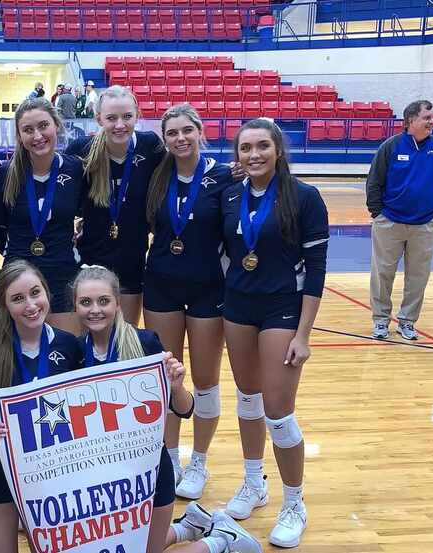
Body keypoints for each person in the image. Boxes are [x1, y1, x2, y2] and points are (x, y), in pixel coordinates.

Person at [72, 265, 262, 553]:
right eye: (85, 302)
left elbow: (185, 409)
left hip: (147, 471)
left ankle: (219, 541)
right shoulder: (72, 352)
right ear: (74, 306)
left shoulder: (144, 343)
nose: (94, 310)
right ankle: (187, 526)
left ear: (118, 303)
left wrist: (176, 387)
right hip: (99, 476)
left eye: (103, 301)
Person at [221, 118, 329, 548]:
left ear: (278, 150)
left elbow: (317, 272)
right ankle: (253, 483)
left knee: (278, 410)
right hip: (237, 307)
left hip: (283, 309)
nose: (254, 155)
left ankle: (294, 502)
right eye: (245, 148)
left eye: (262, 146)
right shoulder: (230, 196)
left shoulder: (304, 197)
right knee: (247, 400)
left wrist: (303, 335)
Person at [143, 104, 236, 500]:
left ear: (200, 131)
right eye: (172, 133)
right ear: (164, 139)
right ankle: (169, 456)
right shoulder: (157, 174)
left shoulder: (222, 176)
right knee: (167, 379)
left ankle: (199, 460)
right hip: (161, 286)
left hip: (208, 290)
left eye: (187, 131)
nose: (180, 138)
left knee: (205, 379)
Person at [0, 260, 83, 553]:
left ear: (47, 293)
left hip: (53, 477)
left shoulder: (70, 346)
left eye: (35, 293)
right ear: (4, 305)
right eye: (17, 299)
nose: (30, 305)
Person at [65, 85, 162, 325]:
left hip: (133, 261)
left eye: (127, 117)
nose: (120, 125)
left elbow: (183, 170)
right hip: (90, 262)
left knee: (123, 341)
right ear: (98, 119)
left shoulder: (151, 147)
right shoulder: (81, 151)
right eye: (111, 118)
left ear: (137, 115)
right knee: (89, 345)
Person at [0, 97, 87, 335]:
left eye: (43, 126)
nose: (37, 136)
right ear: (19, 136)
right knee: (19, 359)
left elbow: (91, 212)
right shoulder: (4, 174)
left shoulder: (76, 169)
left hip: (63, 271)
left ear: (56, 125)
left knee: (64, 354)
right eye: (28, 130)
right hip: (17, 275)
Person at [366, 99, 433, 340]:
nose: (432, 121)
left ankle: (407, 321)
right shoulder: (391, 146)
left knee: (418, 277)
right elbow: (374, 182)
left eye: (432, 117)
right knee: (382, 274)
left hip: (426, 224)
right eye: (427, 117)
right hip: (390, 222)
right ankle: (380, 320)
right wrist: (377, 213)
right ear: (410, 120)